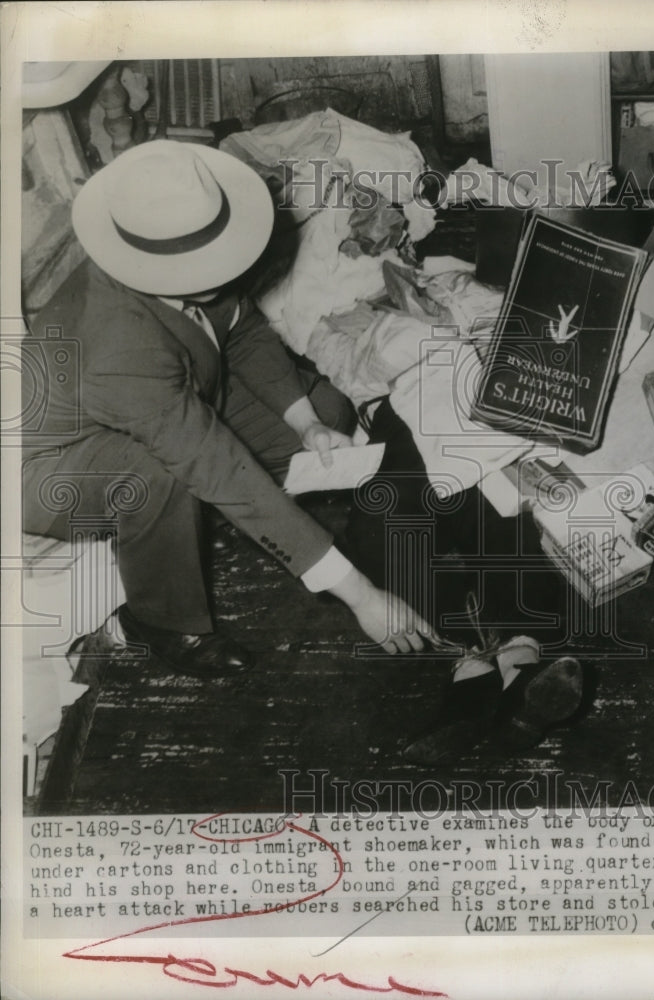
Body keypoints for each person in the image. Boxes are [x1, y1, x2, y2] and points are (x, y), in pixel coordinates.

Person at [22, 139, 434, 677]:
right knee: (157, 477)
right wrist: (360, 595)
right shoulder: (117, 348)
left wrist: (305, 424)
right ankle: (160, 622)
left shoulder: (182, 254)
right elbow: (214, 464)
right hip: (43, 467)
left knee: (329, 413)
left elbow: (241, 333)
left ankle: (250, 519)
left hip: (174, 388)